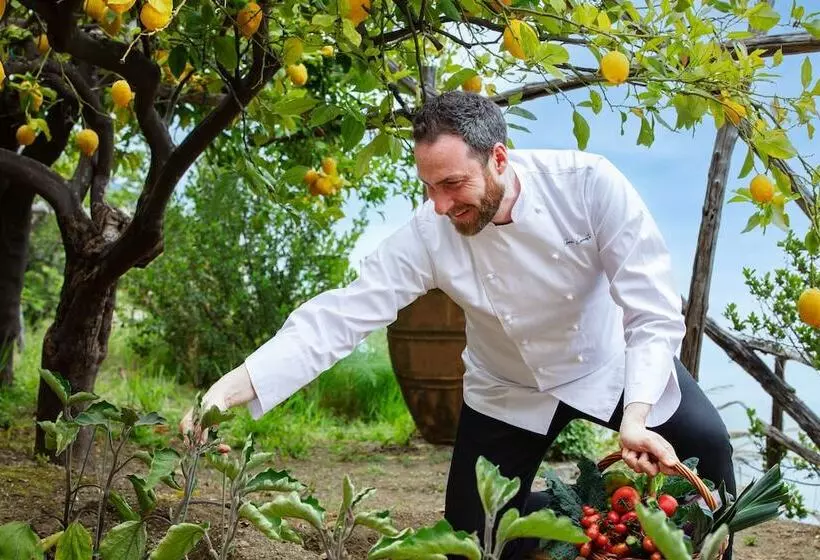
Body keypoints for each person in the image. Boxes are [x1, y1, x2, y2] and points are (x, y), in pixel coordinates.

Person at [180, 91, 736, 559]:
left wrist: (635, 416)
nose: (441, 205)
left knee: (710, 450)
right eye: (429, 187)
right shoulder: (430, 231)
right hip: (508, 387)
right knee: (473, 540)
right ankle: (589, 511)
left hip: (606, 361)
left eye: (452, 184)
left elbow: (652, 308)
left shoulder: (589, 185)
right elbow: (340, 316)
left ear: (498, 158)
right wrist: (227, 391)